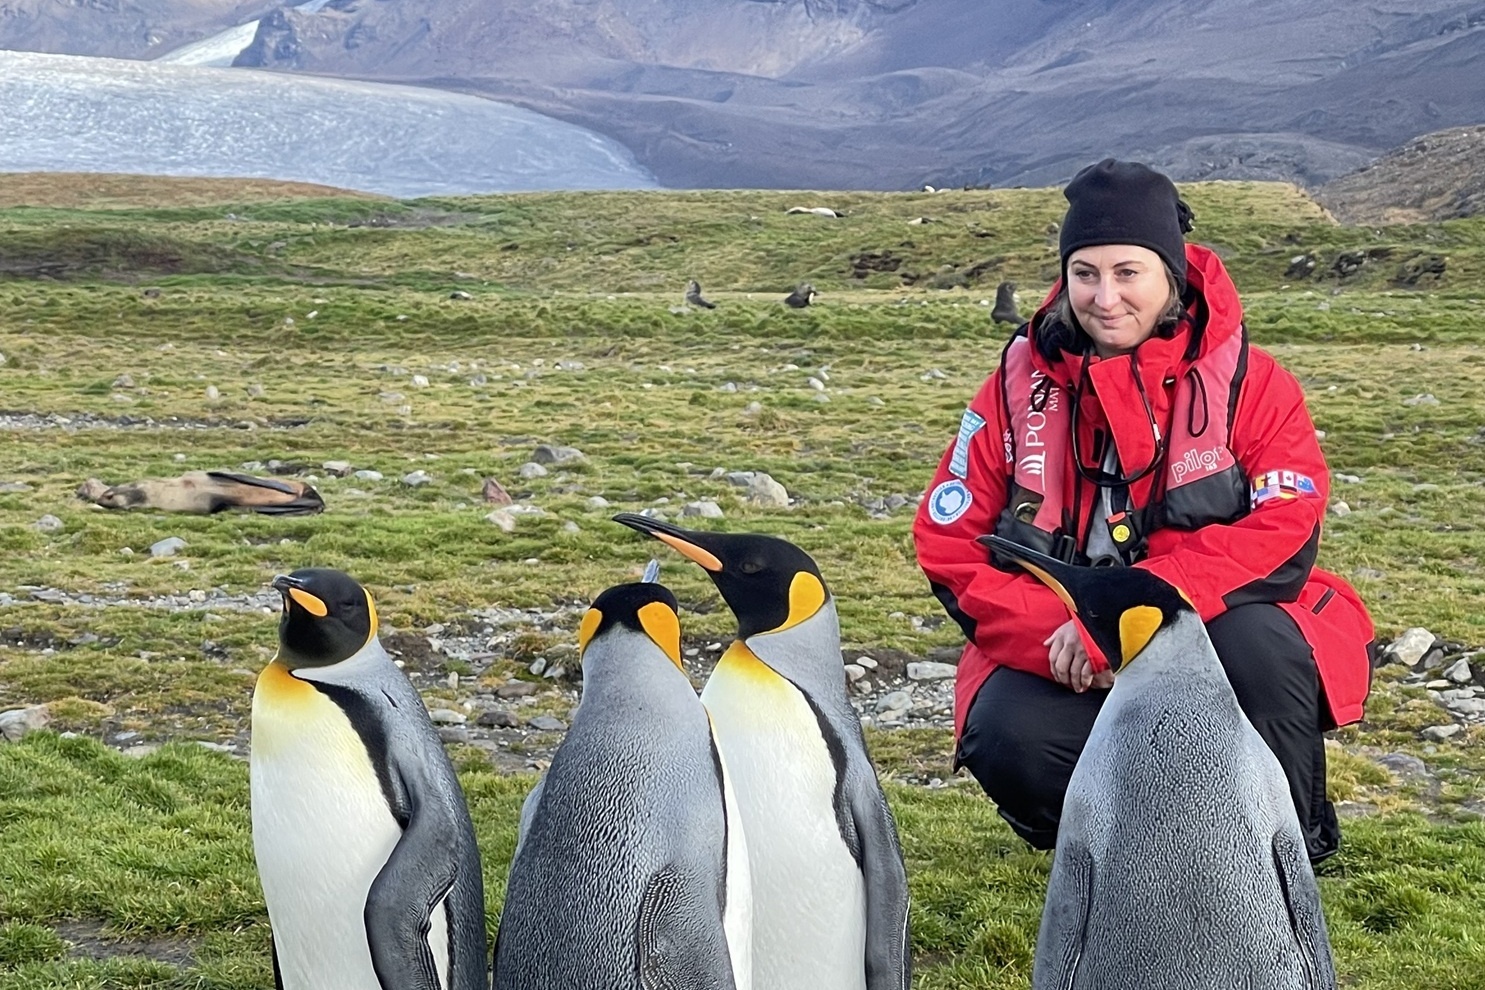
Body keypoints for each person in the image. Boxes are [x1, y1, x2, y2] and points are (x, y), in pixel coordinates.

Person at [912, 159, 1375, 865]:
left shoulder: (1250, 382)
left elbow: (1286, 527)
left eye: (1127, 272)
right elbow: (951, 548)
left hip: (1210, 633)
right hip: (1064, 646)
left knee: (1265, 649)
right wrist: (1062, 632)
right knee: (1010, 735)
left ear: (1170, 274)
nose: (1104, 298)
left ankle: (1280, 850)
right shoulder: (1012, 395)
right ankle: (1130, 857)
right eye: (1085, 274)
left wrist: (1138, 614)